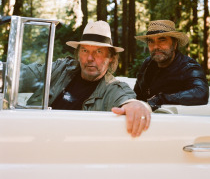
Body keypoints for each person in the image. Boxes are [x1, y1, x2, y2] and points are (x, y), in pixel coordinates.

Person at [21, 20, 151, 137]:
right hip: (33, 135)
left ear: (110, 58)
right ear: (78, 54)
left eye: (98, 51)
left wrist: (135, 105)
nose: (90, 58)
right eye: (84, 51)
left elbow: (127, 99)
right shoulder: (61, 69)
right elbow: (25, 74)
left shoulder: (112, 88)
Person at [134, 20, 209, 111]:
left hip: (178, 120)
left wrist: (162, 99)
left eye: (162, 40)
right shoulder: (148, 64)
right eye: (151, 42)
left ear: (174, 44)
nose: (156, 46)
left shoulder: (189, 67)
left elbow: (201, 93)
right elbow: (137, 95)